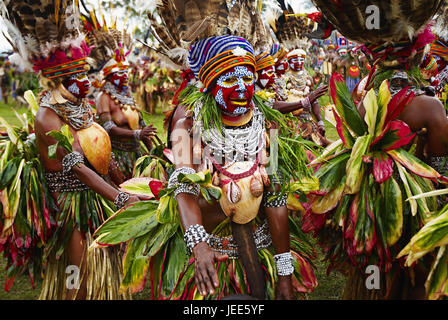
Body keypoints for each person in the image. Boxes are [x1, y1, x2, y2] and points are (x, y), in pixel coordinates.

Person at [91, 0, 318, 300]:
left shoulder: (268, 124)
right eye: (229, 78)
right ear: (209, 83)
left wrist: (285, 274)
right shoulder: (189, 124)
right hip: (212, 246)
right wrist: (199, 245)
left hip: (260, 241)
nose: (242, 87)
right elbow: (185, 185)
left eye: (247, 76)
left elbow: (275, 196)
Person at [0, 0, 148, 299]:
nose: (87, 81)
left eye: (85, 74)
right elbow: (77, 167)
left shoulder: (79, 104)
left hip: (93, 193)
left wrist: (119, 179)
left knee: (104, 263)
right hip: (69, 204)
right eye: (78, 77)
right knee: (77, 274)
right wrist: (120, 197)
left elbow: (97, 152)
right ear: (59, 79)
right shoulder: (47, 115)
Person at [81, 10, 158, 181]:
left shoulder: (127, 94)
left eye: (126, 72)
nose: (125, 76)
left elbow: (140, 124)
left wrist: (152, 152)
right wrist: (138, 134)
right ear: (108, 75)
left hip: (137, 155)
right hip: (118, 157)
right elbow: (107, 128)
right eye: (119, 73)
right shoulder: (103, 97)